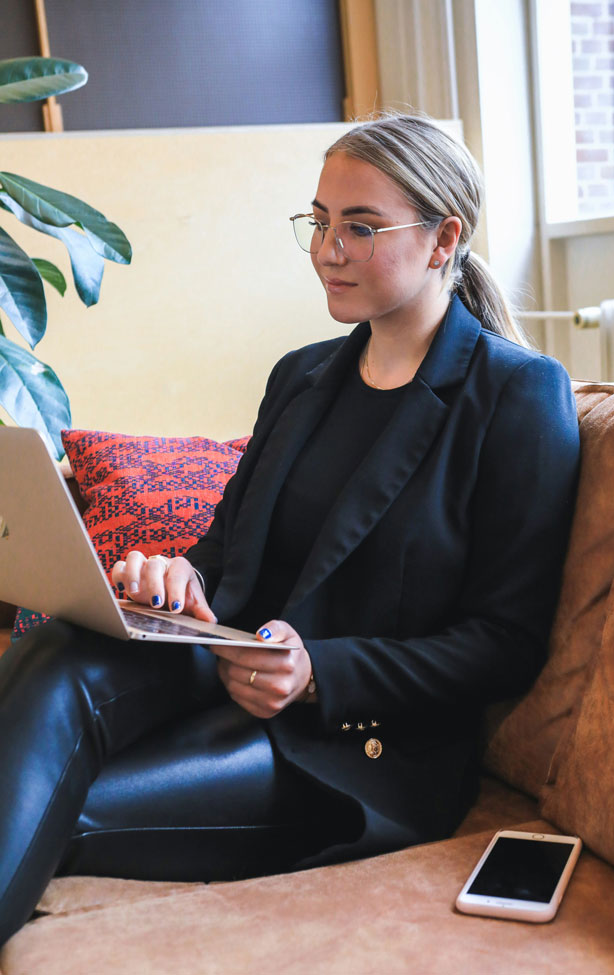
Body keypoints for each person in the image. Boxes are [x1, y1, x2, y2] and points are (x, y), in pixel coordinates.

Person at [0, 113, 580, 945]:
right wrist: (180, 577)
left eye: (361, 227)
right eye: (319, 221)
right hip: (218, 670)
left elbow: (506, 640)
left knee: (52, 802)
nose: (328, 250)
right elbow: (225, 548)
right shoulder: (303, 376)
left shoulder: (517, 396)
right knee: (57, 650)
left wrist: (316, 674)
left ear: (444, 237)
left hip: (350, 748)